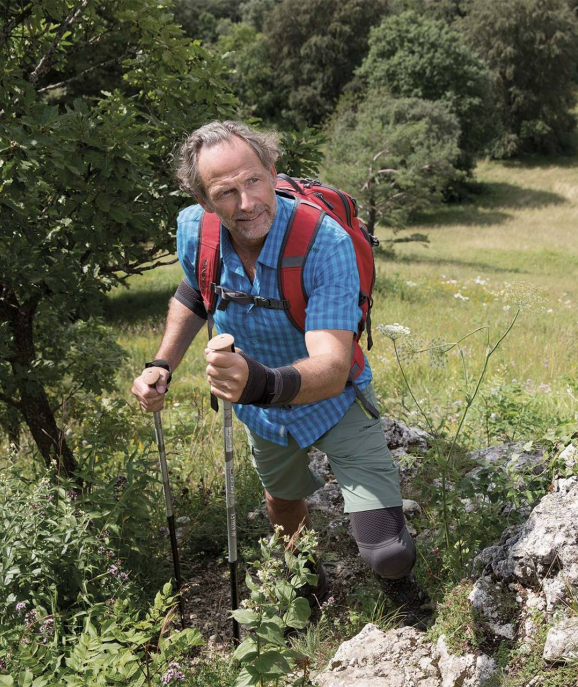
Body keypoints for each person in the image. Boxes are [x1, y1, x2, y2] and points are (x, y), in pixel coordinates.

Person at [131, 120, 431, 628]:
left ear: (273, 172)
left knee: (387, 552)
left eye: (253, 181)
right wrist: (162, 362)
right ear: (204, 201)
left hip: (335, 402)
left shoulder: (323, 243)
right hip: (262, 413)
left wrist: (255, 383)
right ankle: (307, 583)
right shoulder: (195, 231)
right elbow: (193, 293)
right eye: (225, 192)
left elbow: (333, 369)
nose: (246, 203)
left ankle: (403, 593)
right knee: (283, 501)